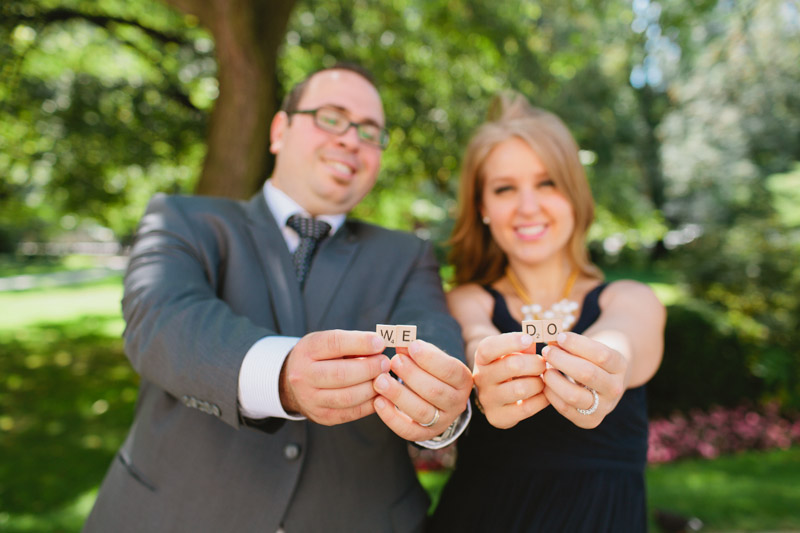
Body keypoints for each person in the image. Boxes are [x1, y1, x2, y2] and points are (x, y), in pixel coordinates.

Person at [84, 63, 472, 533]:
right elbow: (161, 320)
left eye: (370, 132)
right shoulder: (182, 218)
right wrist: (282, 374)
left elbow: (433, 333)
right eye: (331, 117)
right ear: (279, 130)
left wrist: (441, 408)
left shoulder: (407, 255)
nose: (351, 139)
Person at [428, 92, 666, 532]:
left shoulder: (633, 299)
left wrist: (603, 366)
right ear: (482, 207)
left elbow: (622, 342)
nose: (528, 207)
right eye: (504, 189)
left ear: (574, 193)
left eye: (547, 183)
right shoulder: (464, 301)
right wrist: (486, 365)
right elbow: (473, 340)